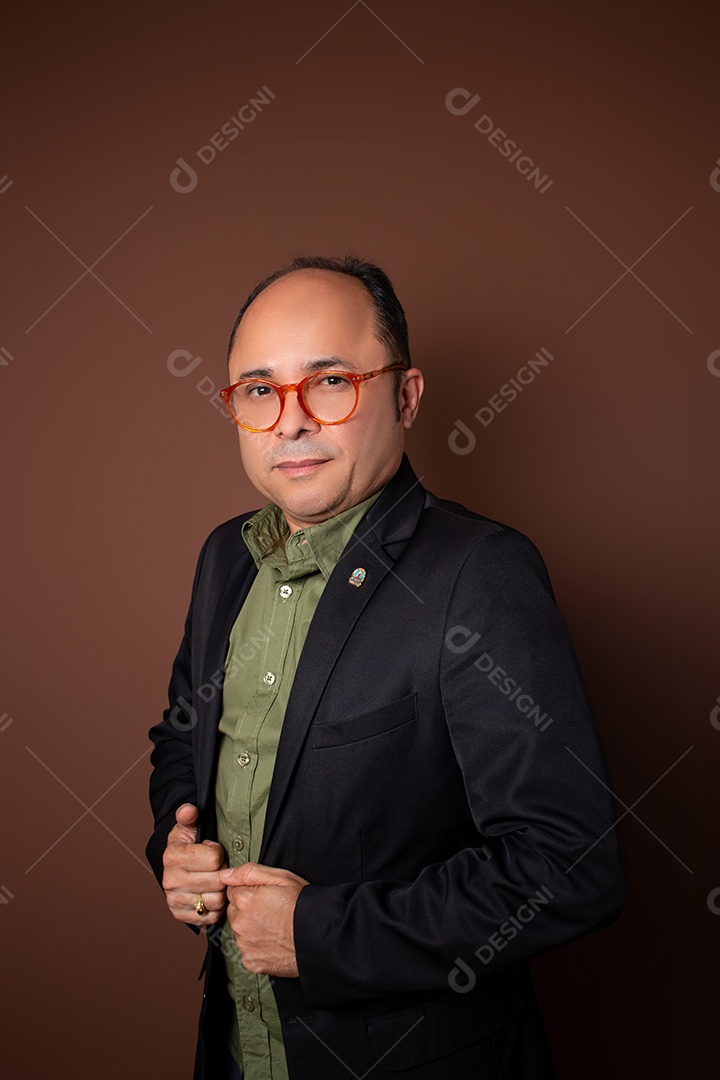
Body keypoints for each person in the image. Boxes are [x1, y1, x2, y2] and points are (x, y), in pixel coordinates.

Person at [146, 255, 625, 1080]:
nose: (290, 423)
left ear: (406, 396)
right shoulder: (225, 557)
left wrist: (319, 935)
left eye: (330, 381)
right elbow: (181, 737)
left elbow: (570, 865)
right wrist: (177, 846)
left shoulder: (479, 574)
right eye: (259, 390)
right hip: (238, 1054)